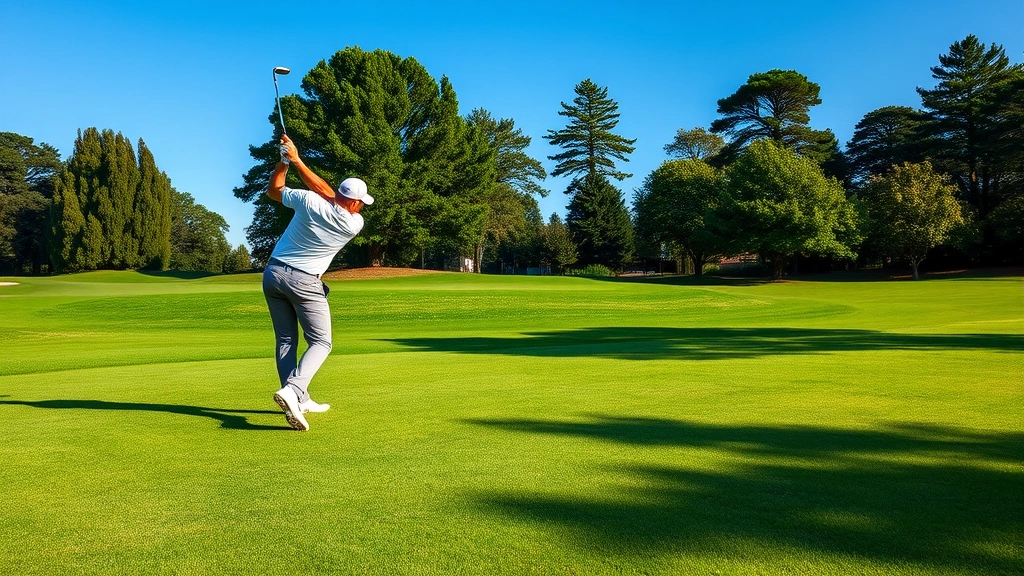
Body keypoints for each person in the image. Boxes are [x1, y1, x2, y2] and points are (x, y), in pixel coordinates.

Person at [263, 134, 373, 431]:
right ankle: (293, 390)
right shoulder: (354, 222)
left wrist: (286, 162)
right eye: (361, 202)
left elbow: (275, 191)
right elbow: (327, 194)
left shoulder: (307, 200)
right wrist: (295, 160)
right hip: (304, 281)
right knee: (322, 342)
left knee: (286, 340)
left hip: (272, 274)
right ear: (354, 203)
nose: (362, 207)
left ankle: (301, 398)